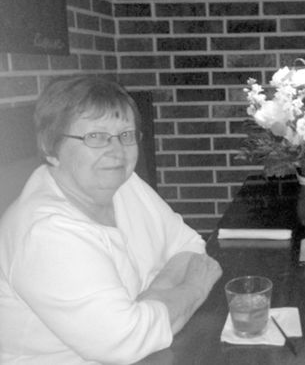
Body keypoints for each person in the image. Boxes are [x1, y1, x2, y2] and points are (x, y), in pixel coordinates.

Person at [0, 76, 222, 364]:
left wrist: (152, 298)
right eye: (96, 136)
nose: (117, 151)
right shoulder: (46, 232)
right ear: (51, 147)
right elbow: (127, 341)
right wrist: (195, 288)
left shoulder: (124, 185)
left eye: (126, 135)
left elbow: (189, 246)